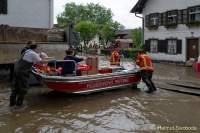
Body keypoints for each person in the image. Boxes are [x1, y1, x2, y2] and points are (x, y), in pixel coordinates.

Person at [10, 42, 44, 107]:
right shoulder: (33, 54)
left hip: (16, 70)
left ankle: (11, 104)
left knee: (15, 88)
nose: (38, 49)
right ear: (35, 48)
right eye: (38, 48)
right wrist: (50, 60)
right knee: (24, 89)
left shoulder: (27, 51)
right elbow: (41, 62)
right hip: (22, 72)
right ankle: (18, 105)